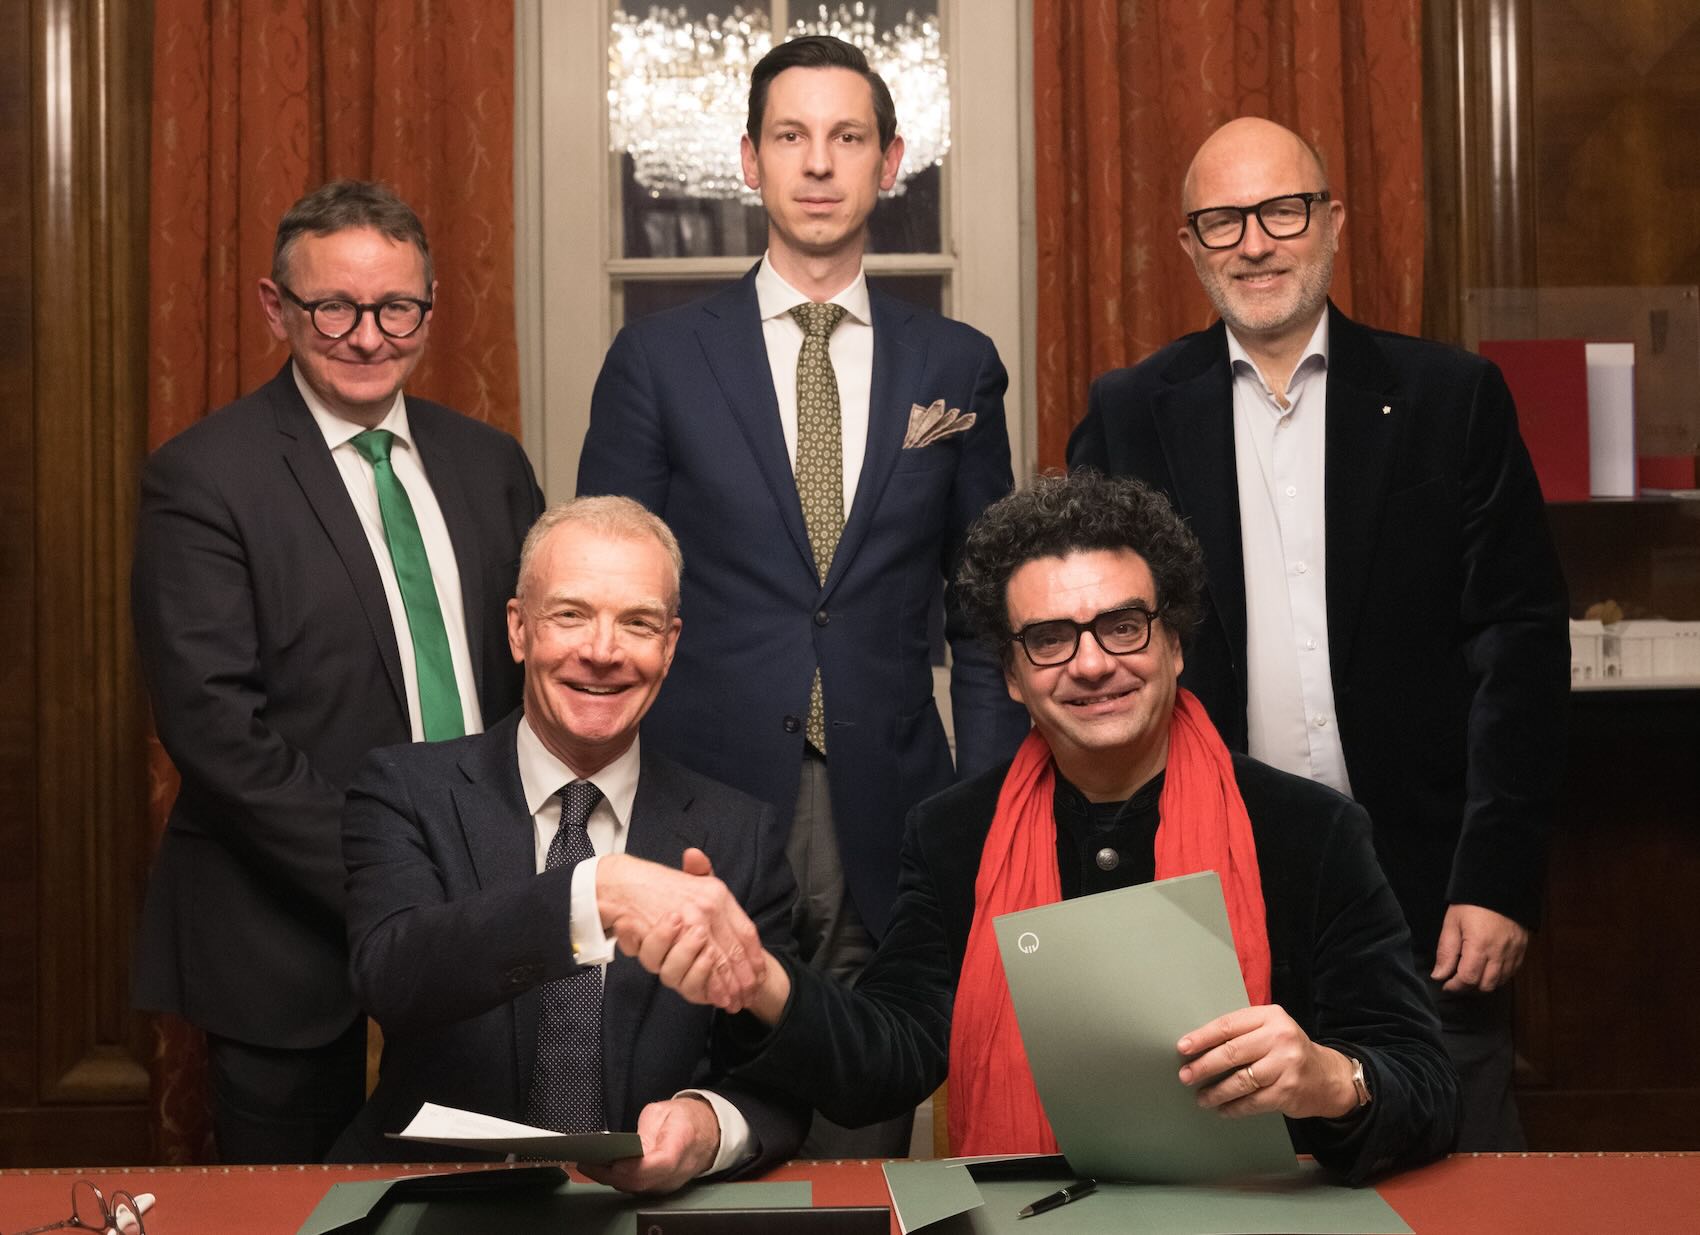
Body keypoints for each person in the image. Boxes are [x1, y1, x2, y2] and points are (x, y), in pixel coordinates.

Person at [629, 472, 1458, 1185]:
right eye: (1050, 639)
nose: (1091, 663)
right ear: (1013, 676)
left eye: (1123, 625)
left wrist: (1331, 1079)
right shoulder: (954, 835)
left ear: (1174, 644)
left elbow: (1426, 1085)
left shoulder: (1309, 831)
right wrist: (761, 981)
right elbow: (886, 1057)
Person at [1067, 117, 1568, 1150]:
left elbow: (1516, 651)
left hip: (1427, 897)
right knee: (1232, 1188)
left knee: (1462, 1182)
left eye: (1282, 211)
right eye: (1222, 221)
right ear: (1189, 246)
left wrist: (1495, 877)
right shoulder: (1128, 414)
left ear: (1333, 221)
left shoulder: (1449, 399)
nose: (1254, 242)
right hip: (1200, 897)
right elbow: (1089, 658)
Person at [578, 35, 1030, 1154]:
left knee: (862, 1139)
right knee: (685, 1136)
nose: (818, 163)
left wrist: (984, 806)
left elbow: (986, 619)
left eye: (846, 137)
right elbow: (604, 608)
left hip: (893, 808)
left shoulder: (955, 365)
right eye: (791, 136)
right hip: (697, 807)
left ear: (890, 162)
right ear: (748, 159)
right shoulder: (656, 361)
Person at [131, 180, 545, 1163]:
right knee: (296, 1212)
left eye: (396, 307)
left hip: (482, 914)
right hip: (279, 935)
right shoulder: (204, 476)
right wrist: (392, 877)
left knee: (480, 1202)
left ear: (430, 309)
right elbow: (214, 728)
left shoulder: (489, 464)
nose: (367, 336)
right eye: (333, 308)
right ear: (274, 306)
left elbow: (533, 672)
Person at [330, 497, 805, 1193]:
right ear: (519, 629)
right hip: (442, 1202)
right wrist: (593, 894)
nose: (603, 651)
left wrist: (708, 1126)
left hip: (647, 1215)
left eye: (637, 623)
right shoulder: (408, 790)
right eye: (571, 614)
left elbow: (782, 1076)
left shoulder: (738, 834)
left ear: (670, 644)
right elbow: (392, 974)